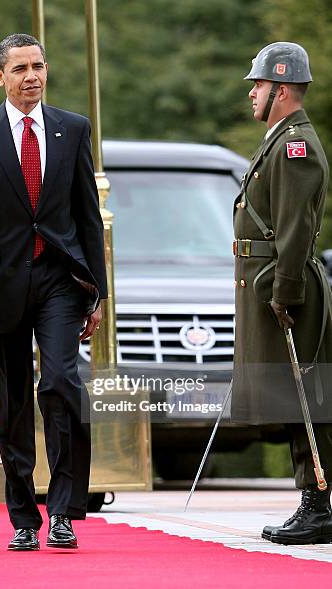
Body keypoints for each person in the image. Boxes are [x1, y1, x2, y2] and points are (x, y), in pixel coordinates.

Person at [0, 33, 107, 551]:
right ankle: (23, 517)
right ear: (0, 77)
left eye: (39, 66)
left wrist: (97, 293)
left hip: (59, 280)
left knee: (60, 383)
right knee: (12, 402)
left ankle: (62, 511)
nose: (32, 76)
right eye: (20, 69)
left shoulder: (72, 130)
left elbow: (87, 217)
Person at [232, 42, 332, 544]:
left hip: (284, 287)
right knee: (294, 399)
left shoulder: (295, 147)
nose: (252, 93)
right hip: (271, 283)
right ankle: (313, 499)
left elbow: (294, 229)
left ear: (282, 89)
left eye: (259, 85)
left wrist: (284, 292)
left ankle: (319, 503)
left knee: (307, 399)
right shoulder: (279, 140)